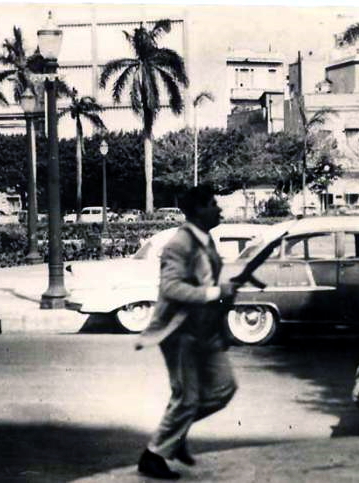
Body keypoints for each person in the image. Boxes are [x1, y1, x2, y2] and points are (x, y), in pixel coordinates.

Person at [134, 185, 239, 480]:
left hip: (205, 330)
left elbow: (208, 284)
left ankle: (174, 437)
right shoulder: (180, 244)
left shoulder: (206, 241)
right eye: (213, 204)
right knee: (188, 397)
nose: (219, 209)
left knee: (224, 389)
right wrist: (218, 292)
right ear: (197, 211)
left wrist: (222, 321)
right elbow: (171, 288)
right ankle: (153, 456)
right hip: (179, 332)